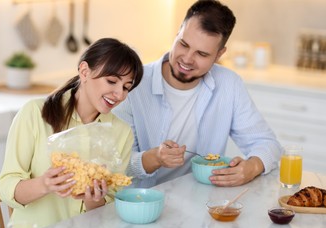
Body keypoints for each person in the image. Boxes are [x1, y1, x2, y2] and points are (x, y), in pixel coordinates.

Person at [112, 0, 282, 188]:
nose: (187, 59)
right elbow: (116, 164)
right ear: (177, 33)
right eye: (183, 44)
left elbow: (268, 143)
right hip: (140, 204)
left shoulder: (229, 84)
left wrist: (252, 167)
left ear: (219, 55)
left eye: (201, 54)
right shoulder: (133, 84)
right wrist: (155, 157)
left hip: (200, 201)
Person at [0, 38, 143, 228]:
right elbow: (6, 187)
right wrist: (45, 184)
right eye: (112, 81)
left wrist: (94, 199)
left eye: (126, 87)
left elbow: (108, 207)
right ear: (84, 72)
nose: (119, 94)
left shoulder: (122, 133)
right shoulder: (34, 114)